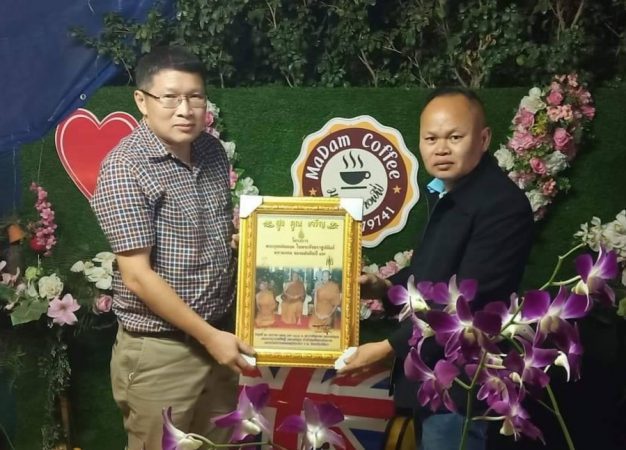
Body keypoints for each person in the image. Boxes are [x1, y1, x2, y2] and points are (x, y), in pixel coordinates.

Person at [339, 87, 534, 450]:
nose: (441, 149)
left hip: (462, 386)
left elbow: (469, 304)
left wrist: (387, 348)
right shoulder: (448, 194)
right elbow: (431, 277)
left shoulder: (502, 205)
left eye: (454, 137)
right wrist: (382, 287)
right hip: (431, 380)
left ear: (484, 139)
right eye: (431, 138)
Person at [90, 46, 255, 450]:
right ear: (142, 100)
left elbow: (214, 234)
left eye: (195, 97)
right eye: (170, 97)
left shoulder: (212, 152)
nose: (185, 110)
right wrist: (210, 337)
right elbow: (137, 276)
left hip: (219, 339)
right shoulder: (124, 167)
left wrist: (249, 246)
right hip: (162, 352)